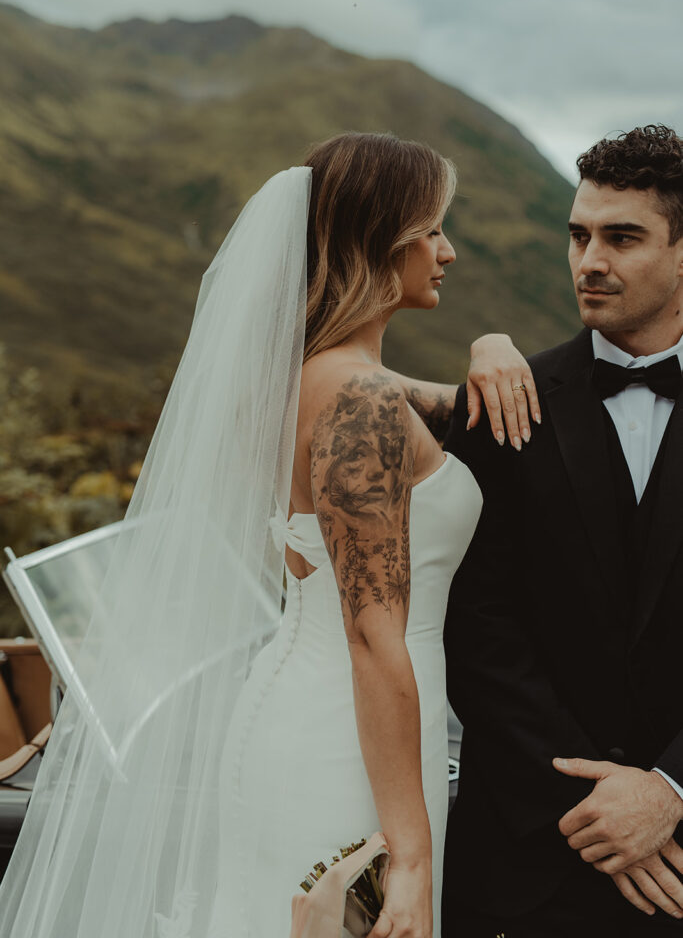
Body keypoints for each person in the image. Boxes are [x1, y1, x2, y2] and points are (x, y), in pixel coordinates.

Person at [0, 131, 536, 938]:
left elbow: (464, 405)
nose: (447, 250)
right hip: (346, 743)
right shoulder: (360, 404)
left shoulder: (319, 382)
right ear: (376, 237)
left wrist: (493, 345)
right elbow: (371, 635)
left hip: (340, 720)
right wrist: (414, 859)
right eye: (430, 229)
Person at [442, 124, 683, 938]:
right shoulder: (504, 399)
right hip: (529, 863)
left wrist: (668, 789)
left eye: (621, 238)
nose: (588, 261)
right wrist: (595, 803)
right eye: (577, 235)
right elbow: (475, 629)